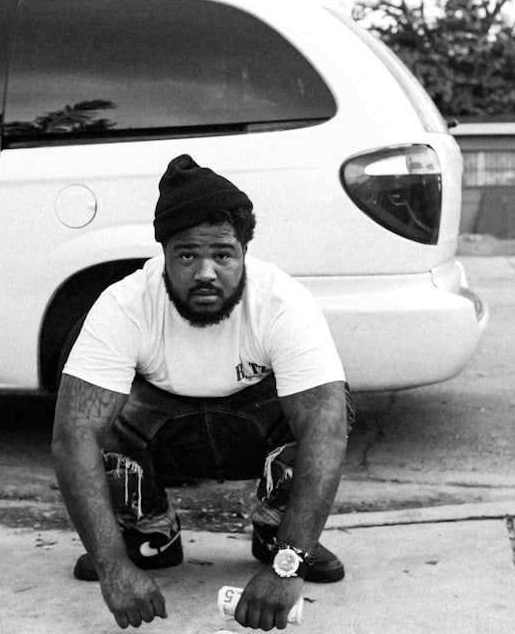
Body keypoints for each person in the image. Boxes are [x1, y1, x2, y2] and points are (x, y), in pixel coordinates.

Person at [52, 154, 352, 630]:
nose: (206, 272)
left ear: (244, 253)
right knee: (92, 414)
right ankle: (149, 531)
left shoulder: (282, 301)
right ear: (164, 254)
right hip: (165, 439)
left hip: (253, 432)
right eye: (188, 255)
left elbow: (326, 430)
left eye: (223, 255)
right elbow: (73, 437)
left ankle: (279, 534)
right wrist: (113, 568)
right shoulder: (124, 304)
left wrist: (286, 567)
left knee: (327, 408)